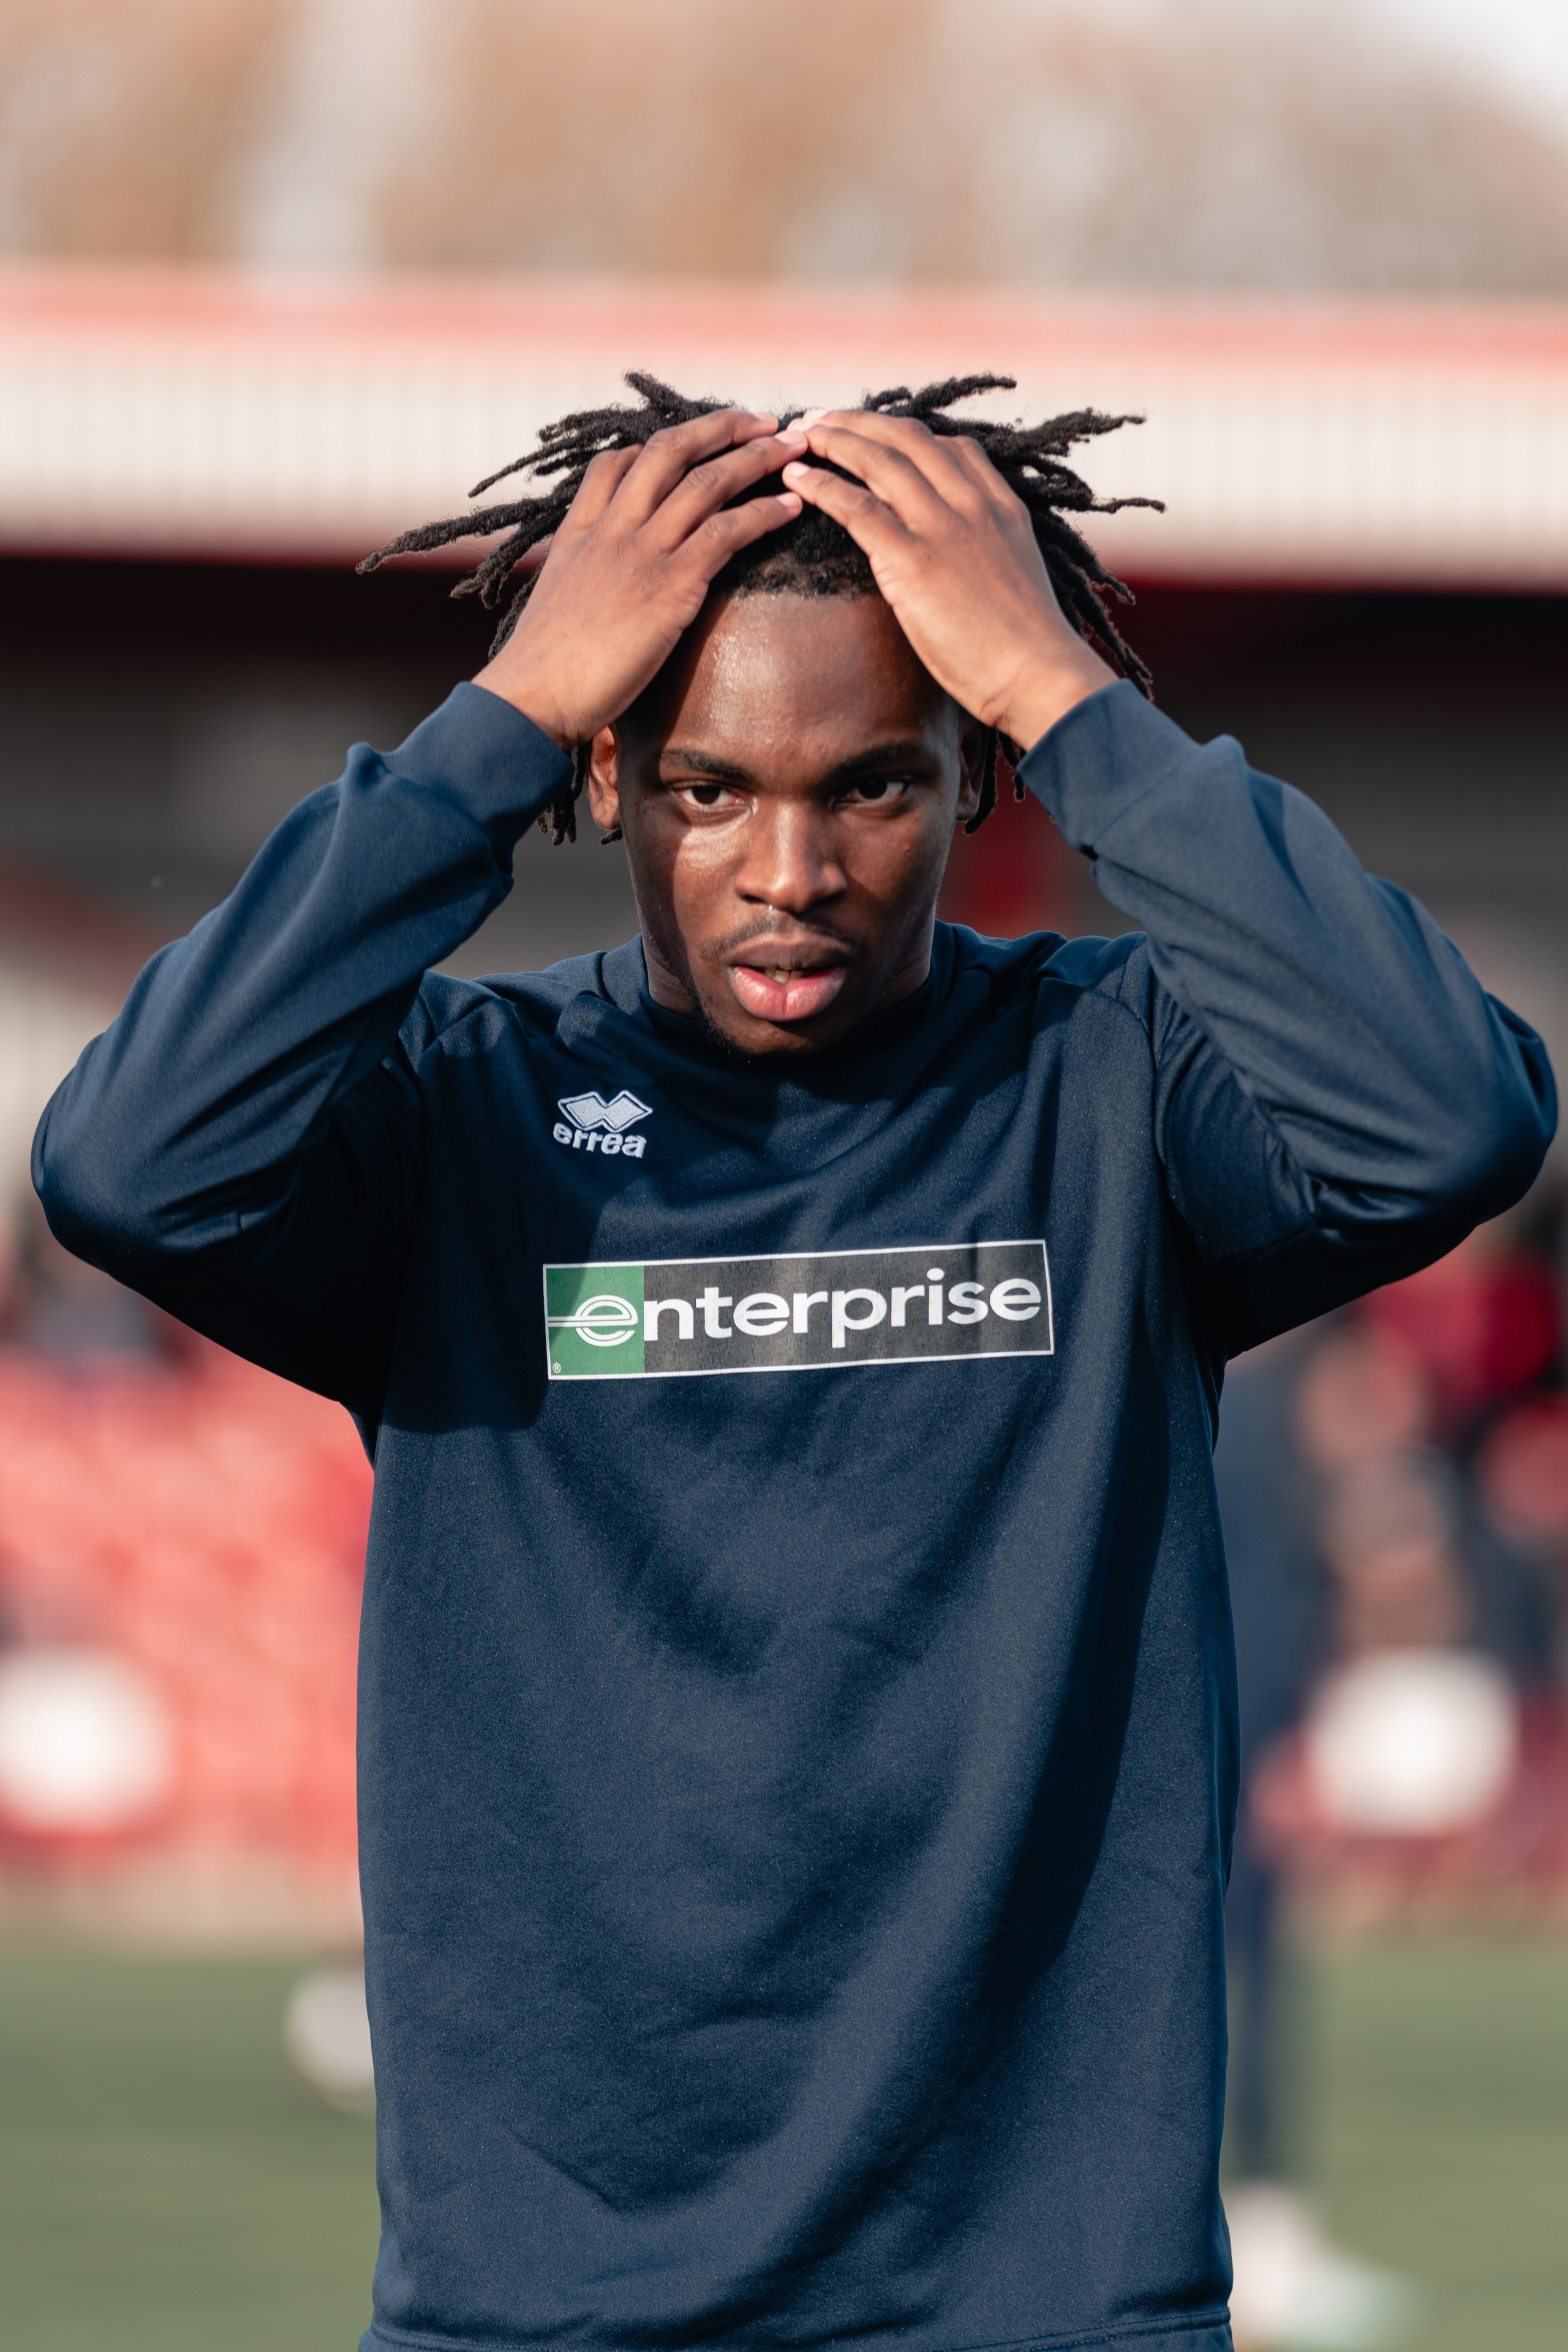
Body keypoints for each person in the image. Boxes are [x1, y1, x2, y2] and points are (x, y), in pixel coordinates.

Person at [32, 377, 1554, 2352]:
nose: (790, 869)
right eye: (705, 786)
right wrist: (493, 727)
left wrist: (1067, 692)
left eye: (877, 784)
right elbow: (130, 1162)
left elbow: (1446, 1118)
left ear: (975, 777)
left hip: (1045, 2302)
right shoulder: (461, 1118)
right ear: (605, 783)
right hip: (547, 2309)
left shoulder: (1115, 1089)